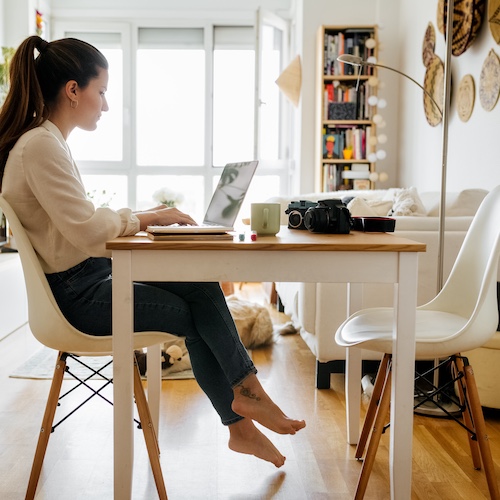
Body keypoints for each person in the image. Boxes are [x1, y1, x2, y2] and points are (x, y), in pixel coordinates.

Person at [0, 36, 305, 468]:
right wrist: (148, 219)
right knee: (196, 312)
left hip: (84, 278)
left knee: (199, 285)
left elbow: (82, 225)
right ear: (73, 90)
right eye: (101, 92)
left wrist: (148, 216)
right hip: (76, 298)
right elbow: (89, 232)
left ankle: (245, 406)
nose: (105, 106)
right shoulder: (41, 146)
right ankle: (244, 408)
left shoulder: (44, 142)